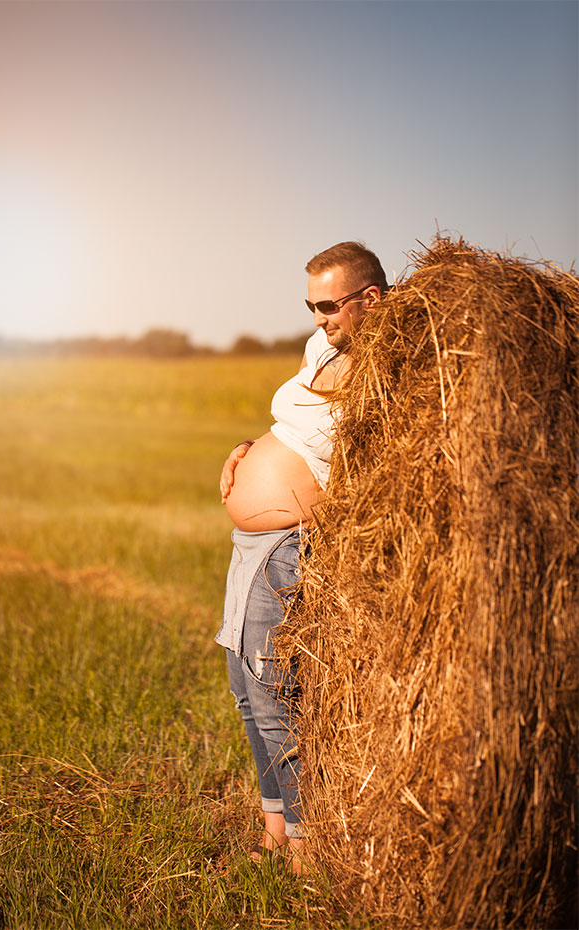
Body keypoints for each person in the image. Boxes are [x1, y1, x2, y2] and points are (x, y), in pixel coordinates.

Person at [216, 241, 389, 873]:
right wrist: (247, 447)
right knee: (243, 681)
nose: (318, 319)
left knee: (272, 691)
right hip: (250, 542)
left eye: (329, 306)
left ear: (371, 298)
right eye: (310, 305)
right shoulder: (326, 349)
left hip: (288, 543)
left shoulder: (391, 372)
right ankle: (271, 830)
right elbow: (292, 427)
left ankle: (307, 853)